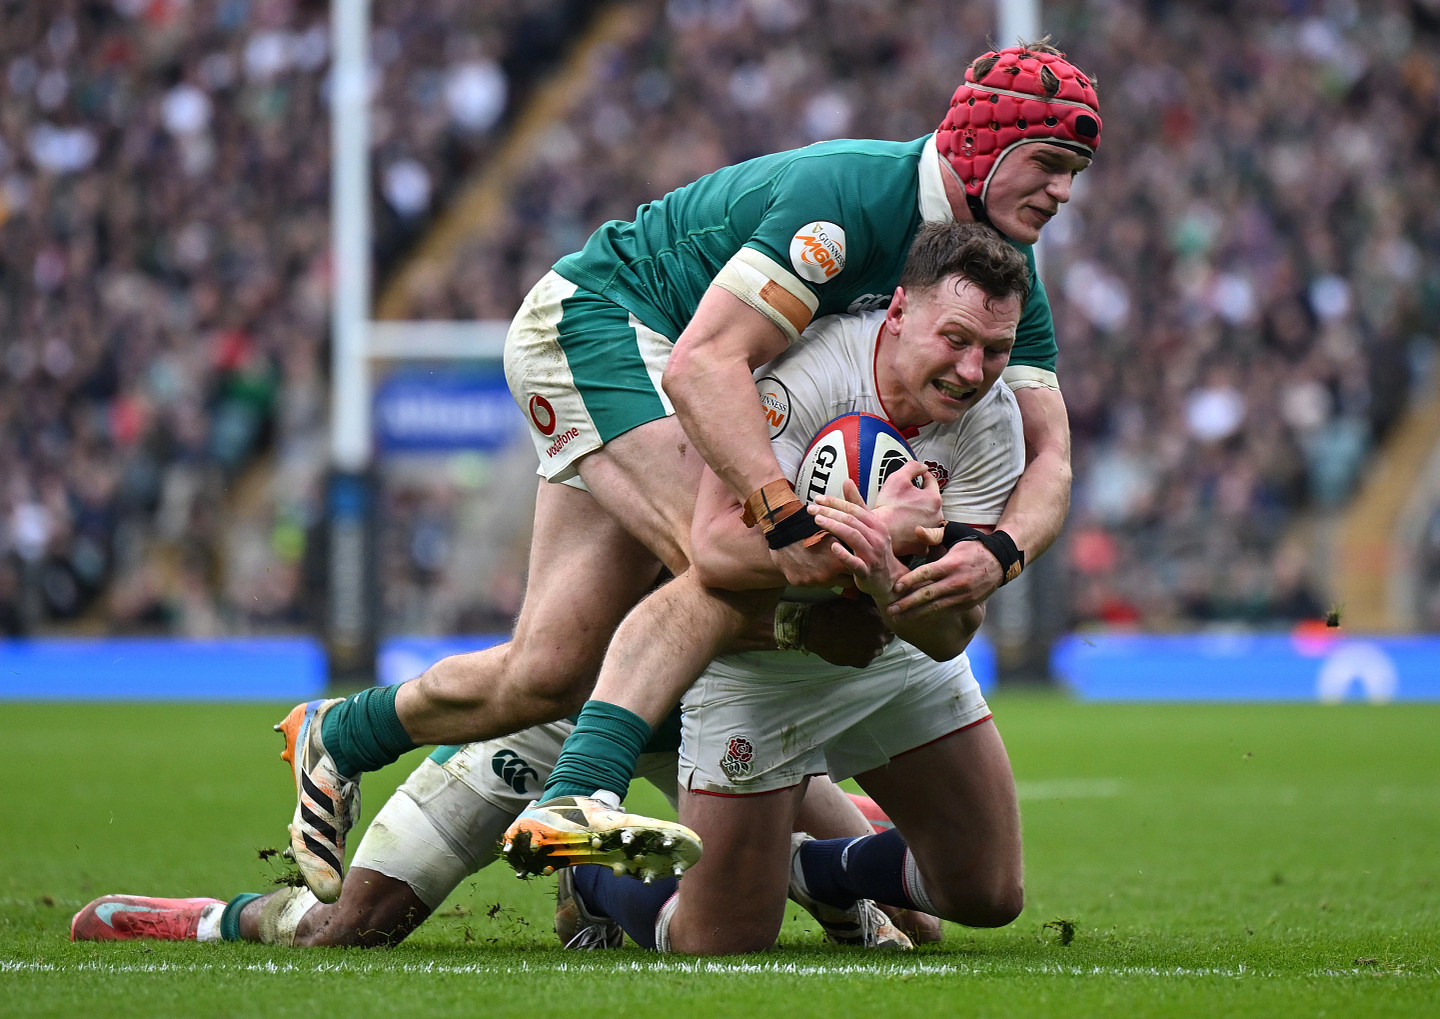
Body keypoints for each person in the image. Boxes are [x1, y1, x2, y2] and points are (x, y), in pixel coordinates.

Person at [276, 41, 1100, 904]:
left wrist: (1000, 553)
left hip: (664, 363)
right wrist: (786, 521)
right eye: (1048, 163)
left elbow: (1051, 454)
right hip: (605, 327)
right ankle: (585, 797)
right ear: (981, 145)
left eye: (1074, 173)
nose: (1063, 192)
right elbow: (703, 366)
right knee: (725, 566)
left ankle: (343, 733)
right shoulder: (853, 200)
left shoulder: (994, 275)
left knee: (553, 668)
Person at [541, 222, 1031, 954]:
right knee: (719, 938)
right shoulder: (807, 372)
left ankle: (812, 871)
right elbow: (715, 550)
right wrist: (874, 532)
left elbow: (951, 632)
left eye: (995, 350)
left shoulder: (993, 427)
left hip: (890, 655)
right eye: (955, 339)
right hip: (762, 659)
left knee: (987, 893)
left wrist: (885, 580)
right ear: (900, 312)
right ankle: (590, 880)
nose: (972, 370)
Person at [72, 710, 937, 949]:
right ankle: (220, 917)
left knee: (920, 926)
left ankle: (794, 862)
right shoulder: (624, 428)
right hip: (568, 714)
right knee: (352, 926)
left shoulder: (793, 430)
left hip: (717, 720)